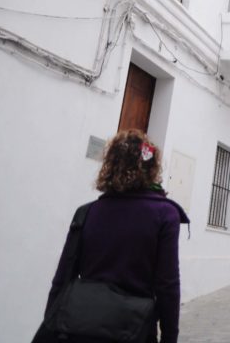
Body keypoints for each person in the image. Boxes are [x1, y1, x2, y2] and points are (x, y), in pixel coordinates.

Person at [38, 130, 189, 343]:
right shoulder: (165, 214)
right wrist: (170, 337)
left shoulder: (87, 212)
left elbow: (63, 277)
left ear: (110, 164)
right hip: (134, 330)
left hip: (81, 328)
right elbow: (167, 285)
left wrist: (51, 324)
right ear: (151, 167)